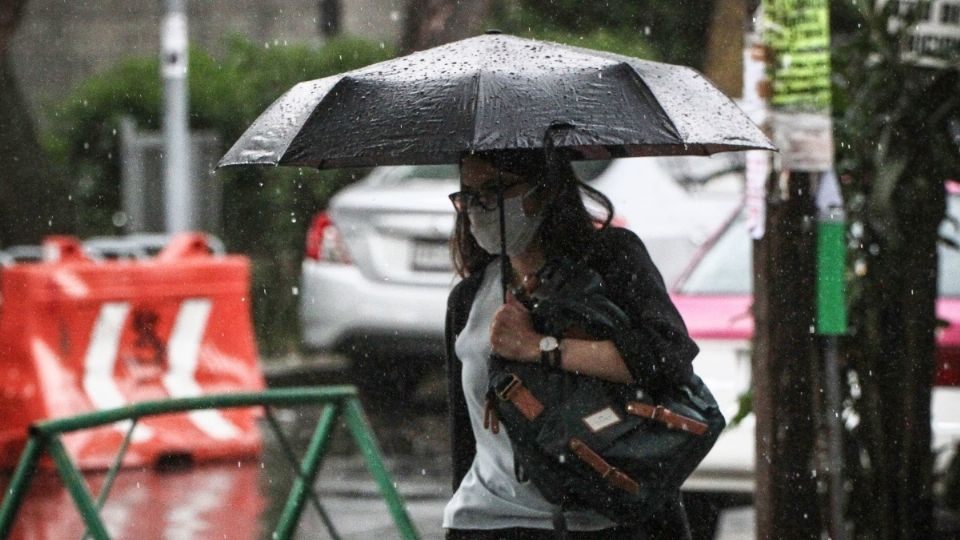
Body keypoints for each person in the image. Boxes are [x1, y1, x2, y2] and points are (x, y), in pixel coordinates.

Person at [442, 149, 700, 540]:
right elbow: (467, 432)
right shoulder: (470, 298)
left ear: (544, 190)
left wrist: (539, 347)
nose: (479, 206)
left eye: (495, 189)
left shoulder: (610, 261)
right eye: (468, 193)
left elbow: (667, 359)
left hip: (606, 520)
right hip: (491, 522)